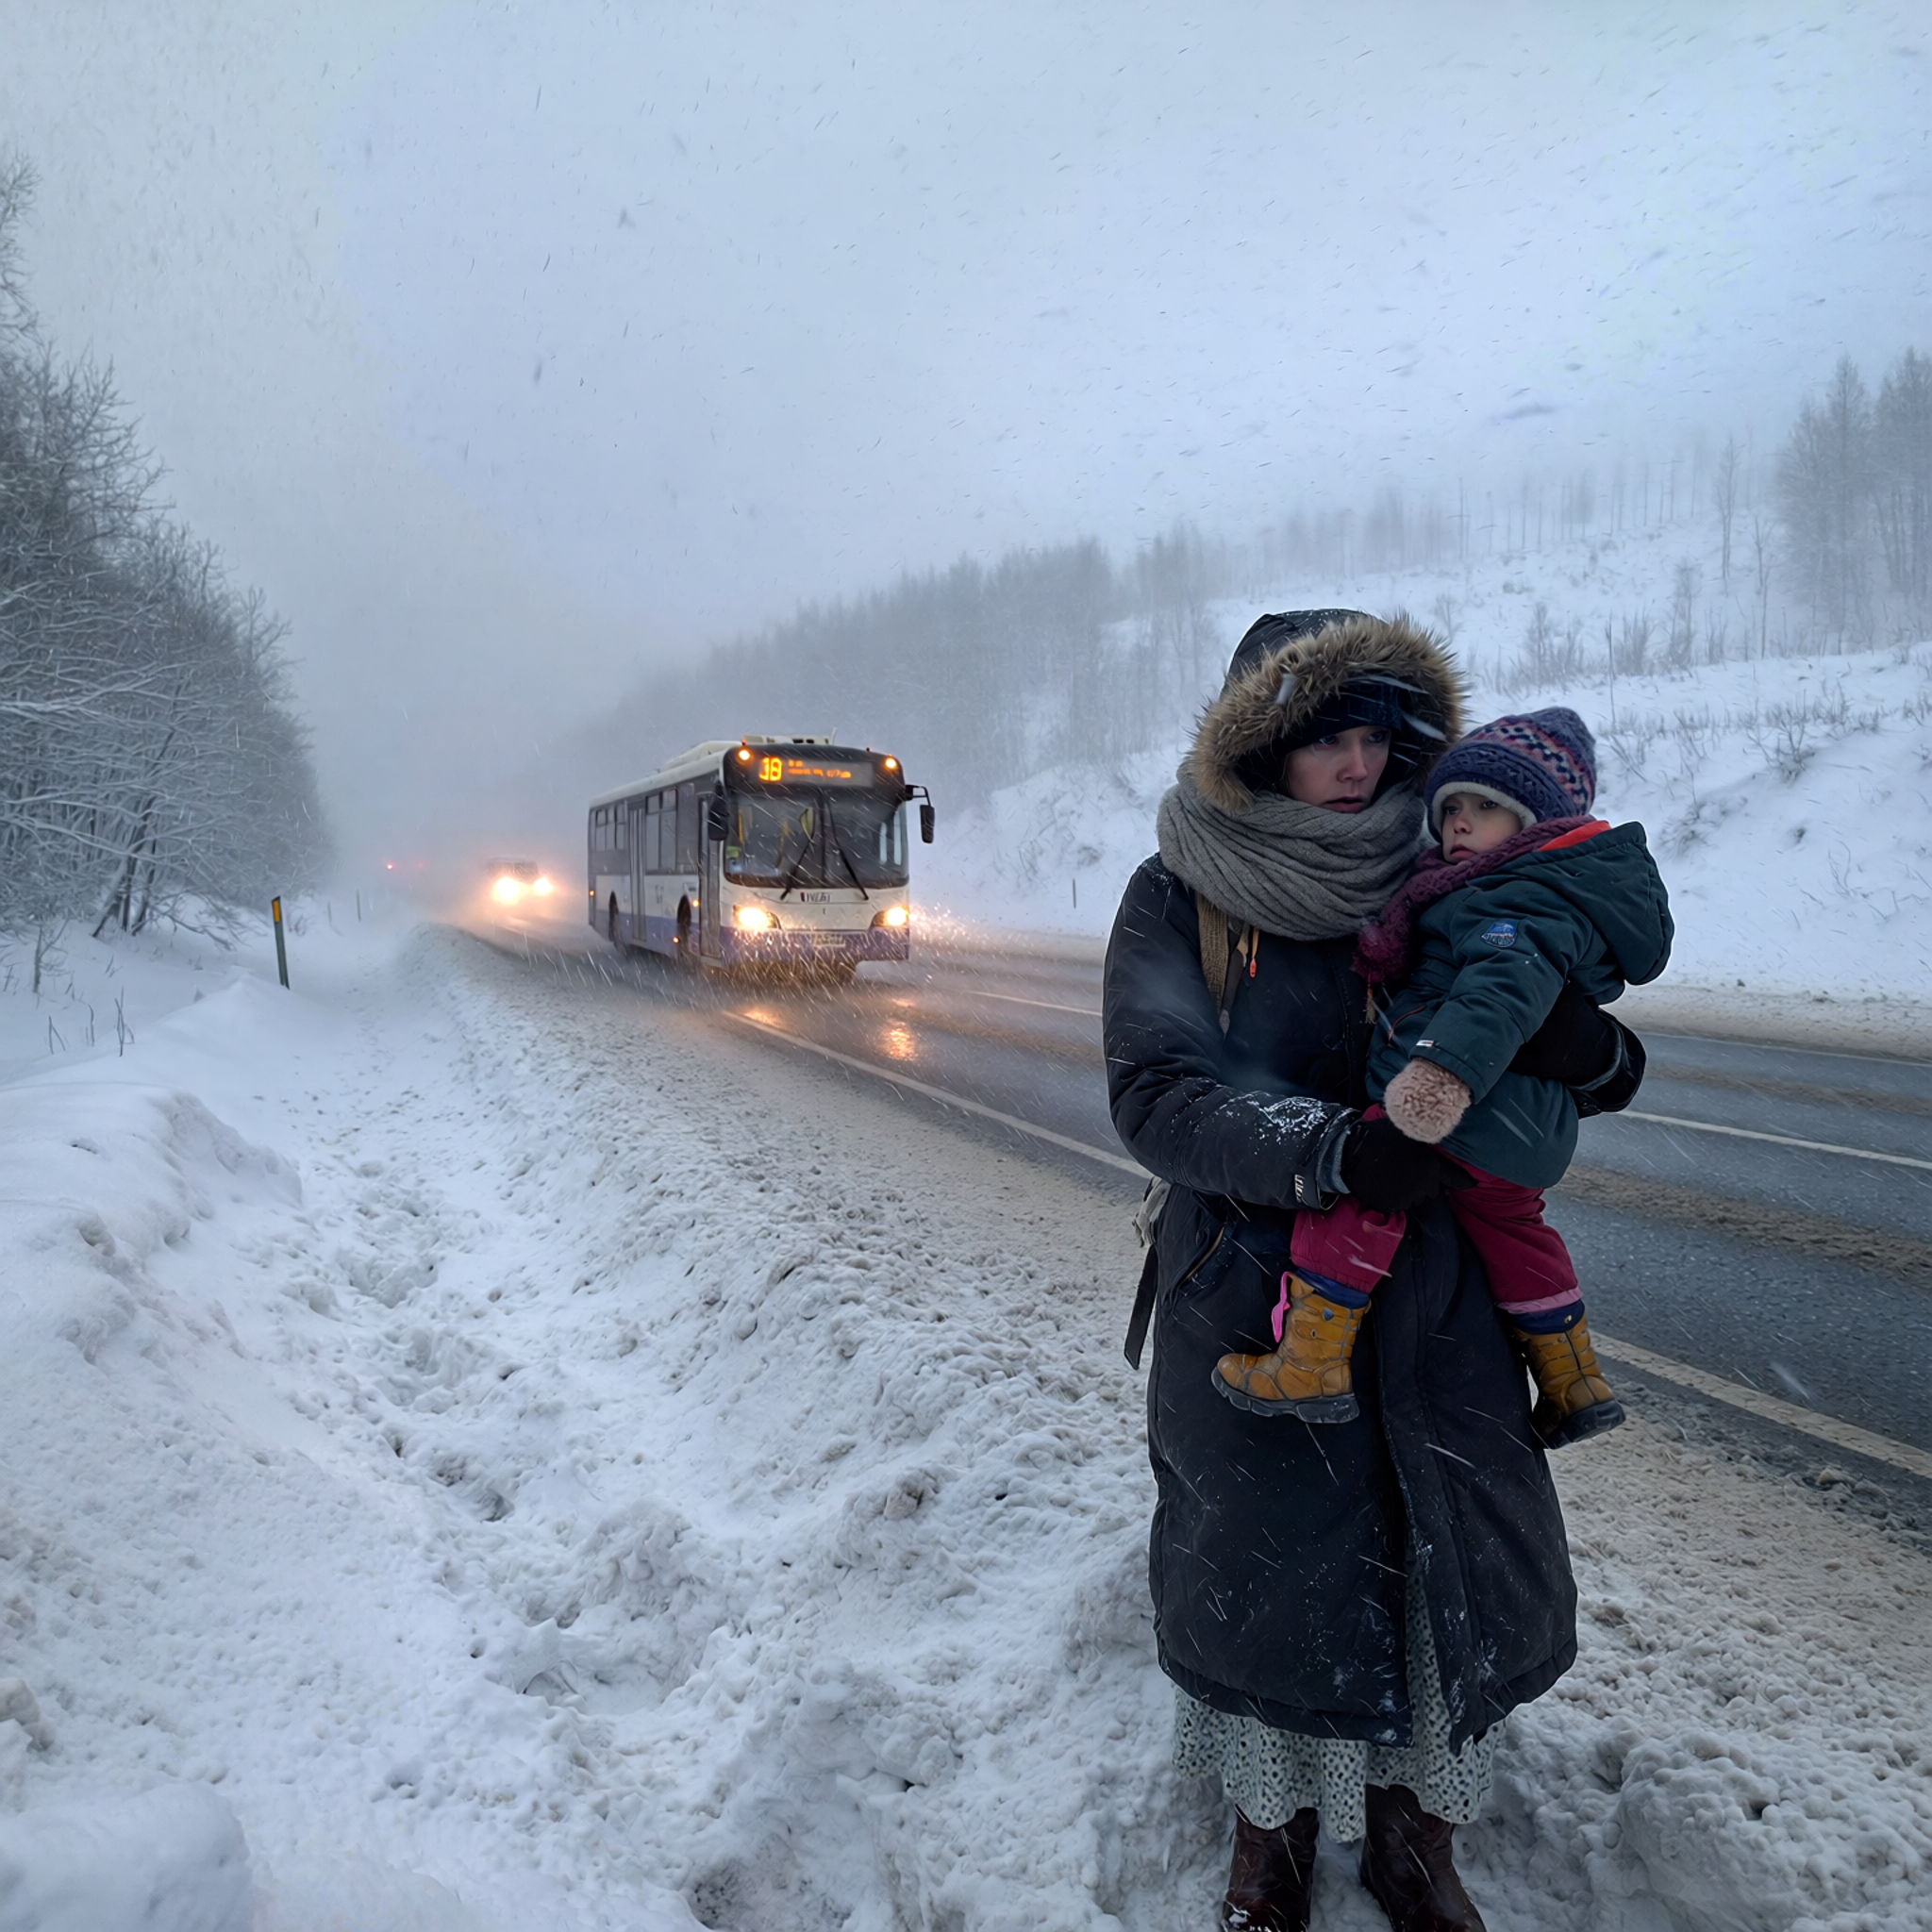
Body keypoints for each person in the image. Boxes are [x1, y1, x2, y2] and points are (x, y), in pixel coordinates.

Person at [1104, 611, 1645, 1932]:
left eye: (1374, 738)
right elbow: (1156, 1095)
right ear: (1259, 756)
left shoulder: (1459, 863)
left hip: (1443, 1294)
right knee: (1271, 1575)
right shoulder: (1187, 890)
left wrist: (1594, 1051)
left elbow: (1564, 1015)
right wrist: (1331, 1154)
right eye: (1322, 742)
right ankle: (1269, 1841)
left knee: (1443, 1559)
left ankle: (1417, 1839)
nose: (1356, 766)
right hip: (1256, 1279)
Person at [1212, 707, 1674, 1450]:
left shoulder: (1500, 894)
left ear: (1534, 824)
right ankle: (1572, 1377)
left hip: (1453, 1113)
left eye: (1485, 807)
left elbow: (1500, 998)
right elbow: (1157, 1091)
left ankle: (1310, 1359)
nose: (1459, 822)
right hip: (1515, 1137)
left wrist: (1432, 1098)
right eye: (1452, 805)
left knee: (1359, 1203)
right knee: (1518, 1230)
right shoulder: (1497, 887)